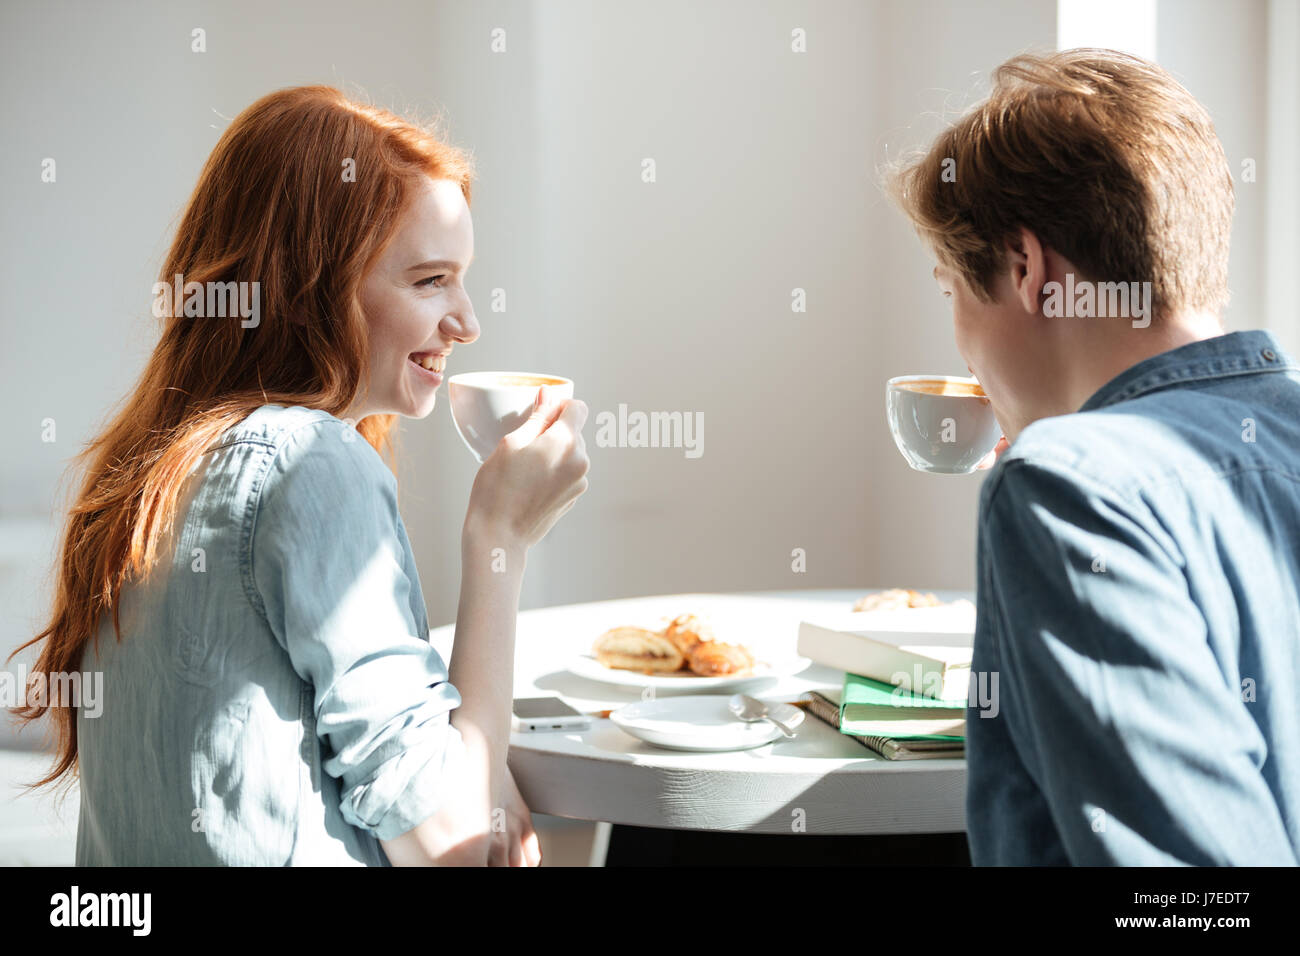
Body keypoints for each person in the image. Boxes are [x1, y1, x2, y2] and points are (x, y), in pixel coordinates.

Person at [8, 85, 589, 865]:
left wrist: (472, 777)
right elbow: (453, 845)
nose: (467, 322)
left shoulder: (151, 470)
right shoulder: (309, 463)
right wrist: (501, 538)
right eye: (429, 281)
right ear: (310, 290)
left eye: (461, 277)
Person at [883, 49, 1300, 864]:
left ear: (1026, 267)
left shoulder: (1065, 485)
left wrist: (1060, 459)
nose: (962, 348)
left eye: (950, 294)